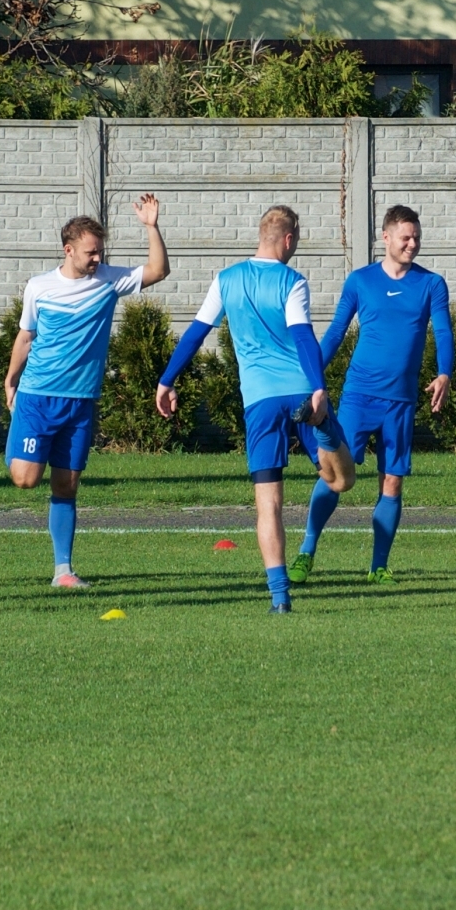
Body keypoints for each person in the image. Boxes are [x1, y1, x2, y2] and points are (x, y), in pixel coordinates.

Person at [155, 205, 356, 612]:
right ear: (288, 239)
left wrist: (166, 379)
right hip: (301, 392)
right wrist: (318, 389)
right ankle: (322, 429)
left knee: (269, 505)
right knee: (341, 482)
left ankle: (279, 598)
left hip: (260, 401)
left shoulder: (226, 280)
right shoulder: (292, 281)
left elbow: (196, 333)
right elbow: (302, 338)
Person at [2, 199, 170, 589]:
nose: (97, 258)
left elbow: (159, 270)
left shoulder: (109, 281)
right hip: (38, 397)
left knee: (67, 485)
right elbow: (25, 337)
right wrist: (11, 379)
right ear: (68, 250)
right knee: (25, 479)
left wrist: (151, 225)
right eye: (90, 251)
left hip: (80, 402)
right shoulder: (39, 287)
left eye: (100, 251)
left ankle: (64, 571)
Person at [293, 205, 454, 585]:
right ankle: (306, 551)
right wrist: (312, 376)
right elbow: (335, 333)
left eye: (416, 237)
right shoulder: (360, 281)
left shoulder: (432, 284)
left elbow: (443, 334)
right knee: (335, 476)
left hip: (401, 402)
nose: (413, 244)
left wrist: (445, 373)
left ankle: (378, 566)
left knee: (392, 482)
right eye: (406, 237)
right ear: (386, 237)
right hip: (359, 397)